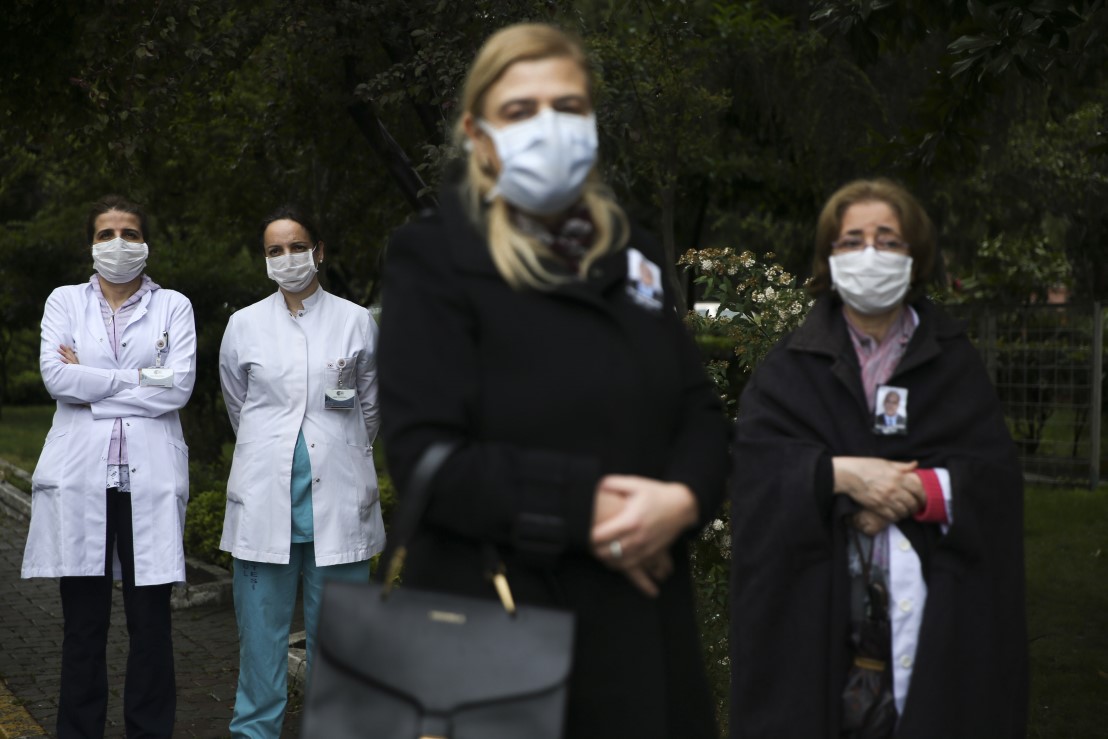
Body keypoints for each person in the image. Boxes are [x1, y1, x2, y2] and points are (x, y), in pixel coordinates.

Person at [376, 23, 729, 738]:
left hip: (643, 634)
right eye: (520, 110)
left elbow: (699, 411)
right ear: (478, 135)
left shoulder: (636, 255)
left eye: (569, 107)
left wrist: (684, 497)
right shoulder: (435, 255)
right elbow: (423, 457)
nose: (549, 125)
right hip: (496, 632)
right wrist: (590, 509)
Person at [728, 178, 1027, 738]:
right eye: (852, 240)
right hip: (816, 628)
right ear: (829, 257)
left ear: (914, 257)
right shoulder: (789, 368)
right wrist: (841, 477)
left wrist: (917, 493)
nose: (870, 254)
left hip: (936, 625)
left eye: (888, 240)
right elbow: (756, 476)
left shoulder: (954, 365)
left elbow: (995, 479)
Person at [21, 194, 197, 738]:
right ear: (91, 243)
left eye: (129, 232)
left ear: (146, 243)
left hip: (146, 479)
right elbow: (57, 379)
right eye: (106, 234)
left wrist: (93, 382)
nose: (118, 243)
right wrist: (142, 379)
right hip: (83, 479)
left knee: (151, 628)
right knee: (83, 627)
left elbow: (180, 387)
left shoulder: (173, 306)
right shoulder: (64, 302)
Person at [218, 205, 385, 738]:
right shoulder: (244, 325)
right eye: (274, 250)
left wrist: (338, 448)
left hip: (337, 504)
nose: (286, 258)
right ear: (265, 259)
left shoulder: (355, 319)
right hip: (266, 505)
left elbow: (370, 408)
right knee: (260, 645)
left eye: (296, 247)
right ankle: (254, 733)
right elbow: (239, 405)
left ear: (319, 252)